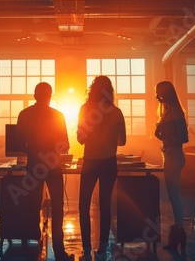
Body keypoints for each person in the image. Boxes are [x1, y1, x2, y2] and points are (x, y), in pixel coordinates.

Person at [16, 82, 74, 261]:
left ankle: (31, 244)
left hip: (34, 166)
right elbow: (65, 144)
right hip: (54, 167)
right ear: (50, 95)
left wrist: (34, 151)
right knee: (57, 207)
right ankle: (59, 250)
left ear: (35, 95)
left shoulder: (24, 114)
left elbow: (18, 143)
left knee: (31, 205)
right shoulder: (58, 115)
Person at [77, 75, 126, 260]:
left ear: (93, 90)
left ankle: (86, 248)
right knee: (105, 205)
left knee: (84, 205)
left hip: (90, 161)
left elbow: (81, 139)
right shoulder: (116, 112)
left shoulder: (85, 109)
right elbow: (122, 142)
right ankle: (103, 247)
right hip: (109, 162)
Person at [154, 80, 189, 251]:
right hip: (169, 154)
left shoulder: (175, 112)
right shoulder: (168, 111)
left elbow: (183, 137)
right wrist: (160, 135)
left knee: (175, 197)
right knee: (173, 196)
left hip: (174, 155)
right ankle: (178, 232)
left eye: (159, 94)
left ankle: (180, 232)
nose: (157, 98)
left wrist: (165, 138)